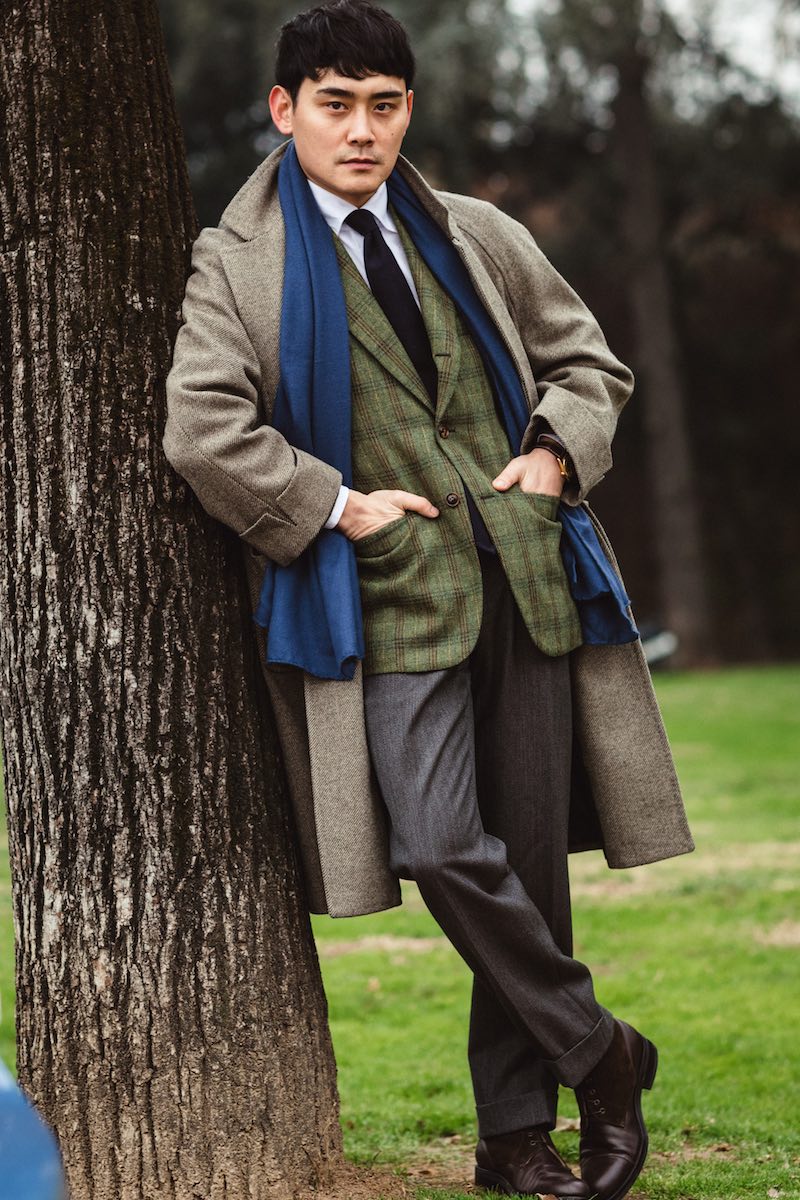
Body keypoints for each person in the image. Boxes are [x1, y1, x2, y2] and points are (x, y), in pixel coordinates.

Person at [162, 3, 694, 1197]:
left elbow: (587, 364)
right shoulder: (235, 263)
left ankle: (515, 1141)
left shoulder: (478, 233)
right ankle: (602, 1055)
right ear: (283, 109)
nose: (362, 130)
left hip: (525, 582)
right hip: (385, 599)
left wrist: (555, 453)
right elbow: (203, 434)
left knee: (528, 872)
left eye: (385, 105)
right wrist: (335, 505)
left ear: (408, 109)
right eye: (337, 103)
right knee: (446, 847)